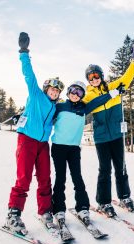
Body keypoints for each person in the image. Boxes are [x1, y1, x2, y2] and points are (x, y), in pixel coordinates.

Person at [5, 32, 64, 235]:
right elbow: (28, 74)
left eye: (57, 92)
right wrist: (24, 52)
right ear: (46, 88)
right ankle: (13, 214)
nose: (55, 93)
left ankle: (45, 211)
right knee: (24, 179)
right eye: (52, 90)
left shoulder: (56, 107)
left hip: (42, 144)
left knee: (45, 178)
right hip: (27, 140)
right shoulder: (36, 94)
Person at [82, 40, 134, 217]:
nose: (94, 79)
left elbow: (128, 76)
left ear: (101, 75)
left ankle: (125, 196)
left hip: (116, 135)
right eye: (91, 77)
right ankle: (103, 202)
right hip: (101, 138)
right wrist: (111, 95)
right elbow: (88, 107)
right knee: (104, 170)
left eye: (96, 76)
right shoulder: (88, 95)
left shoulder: (112, 87)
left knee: (121, 167)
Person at [51, 81, 122, 225]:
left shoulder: (84, 108)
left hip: (74, 149)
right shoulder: (60, 106)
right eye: (73, 91)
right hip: (58, 148)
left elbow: (99, 100)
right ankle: (58, 209)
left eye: (79, 92)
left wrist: (114, 93)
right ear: (68, 91)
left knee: (77, 178)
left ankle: (82, 207)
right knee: (60, 179)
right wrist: (22, 116)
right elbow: (43, 111)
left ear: (83, 95)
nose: (75, 95)